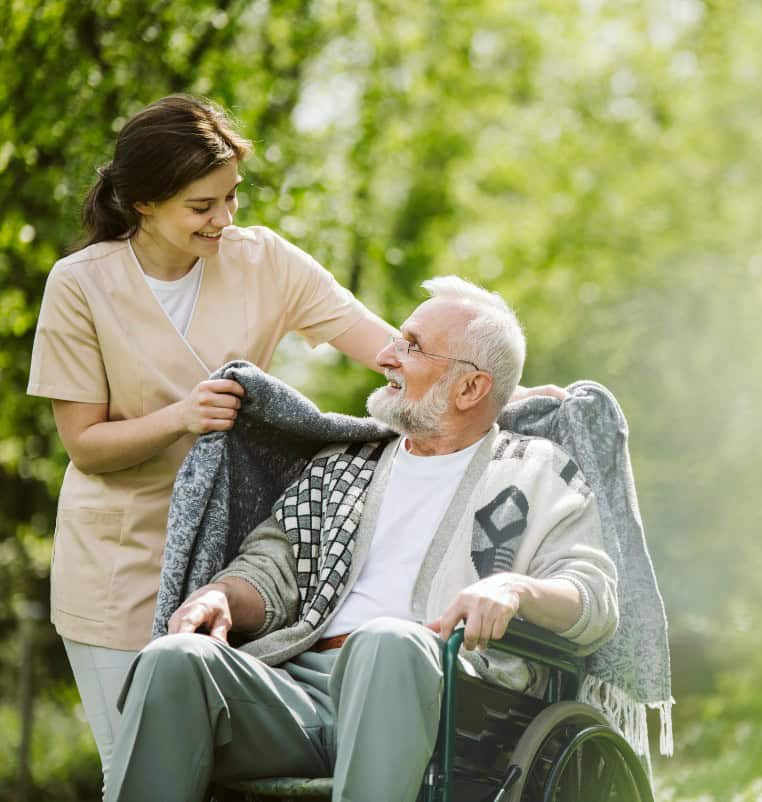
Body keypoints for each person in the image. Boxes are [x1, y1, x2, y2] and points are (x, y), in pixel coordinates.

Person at [25, 95, 558, 790]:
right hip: (120, 559)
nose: (224, 220)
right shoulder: (80, 286)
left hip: (235, 553)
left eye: (231, 198)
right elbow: (86, 444)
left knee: (216, 768)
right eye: (201, 207)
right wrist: (183, 416)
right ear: (144, 204)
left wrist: (502, 389)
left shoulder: (264, 262)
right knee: (133, 762)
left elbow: (390, 349)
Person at [104, 276, 618, 802]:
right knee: (177, 660)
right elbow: (272, 567)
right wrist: (222, 594)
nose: (388, 356)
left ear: (470, 388)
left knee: (387, 640)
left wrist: (515, 590)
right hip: (301, 691)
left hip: (450, 697)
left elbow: (595, 596)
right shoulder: (345, 466)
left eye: (412, 346)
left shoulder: (537, 473)